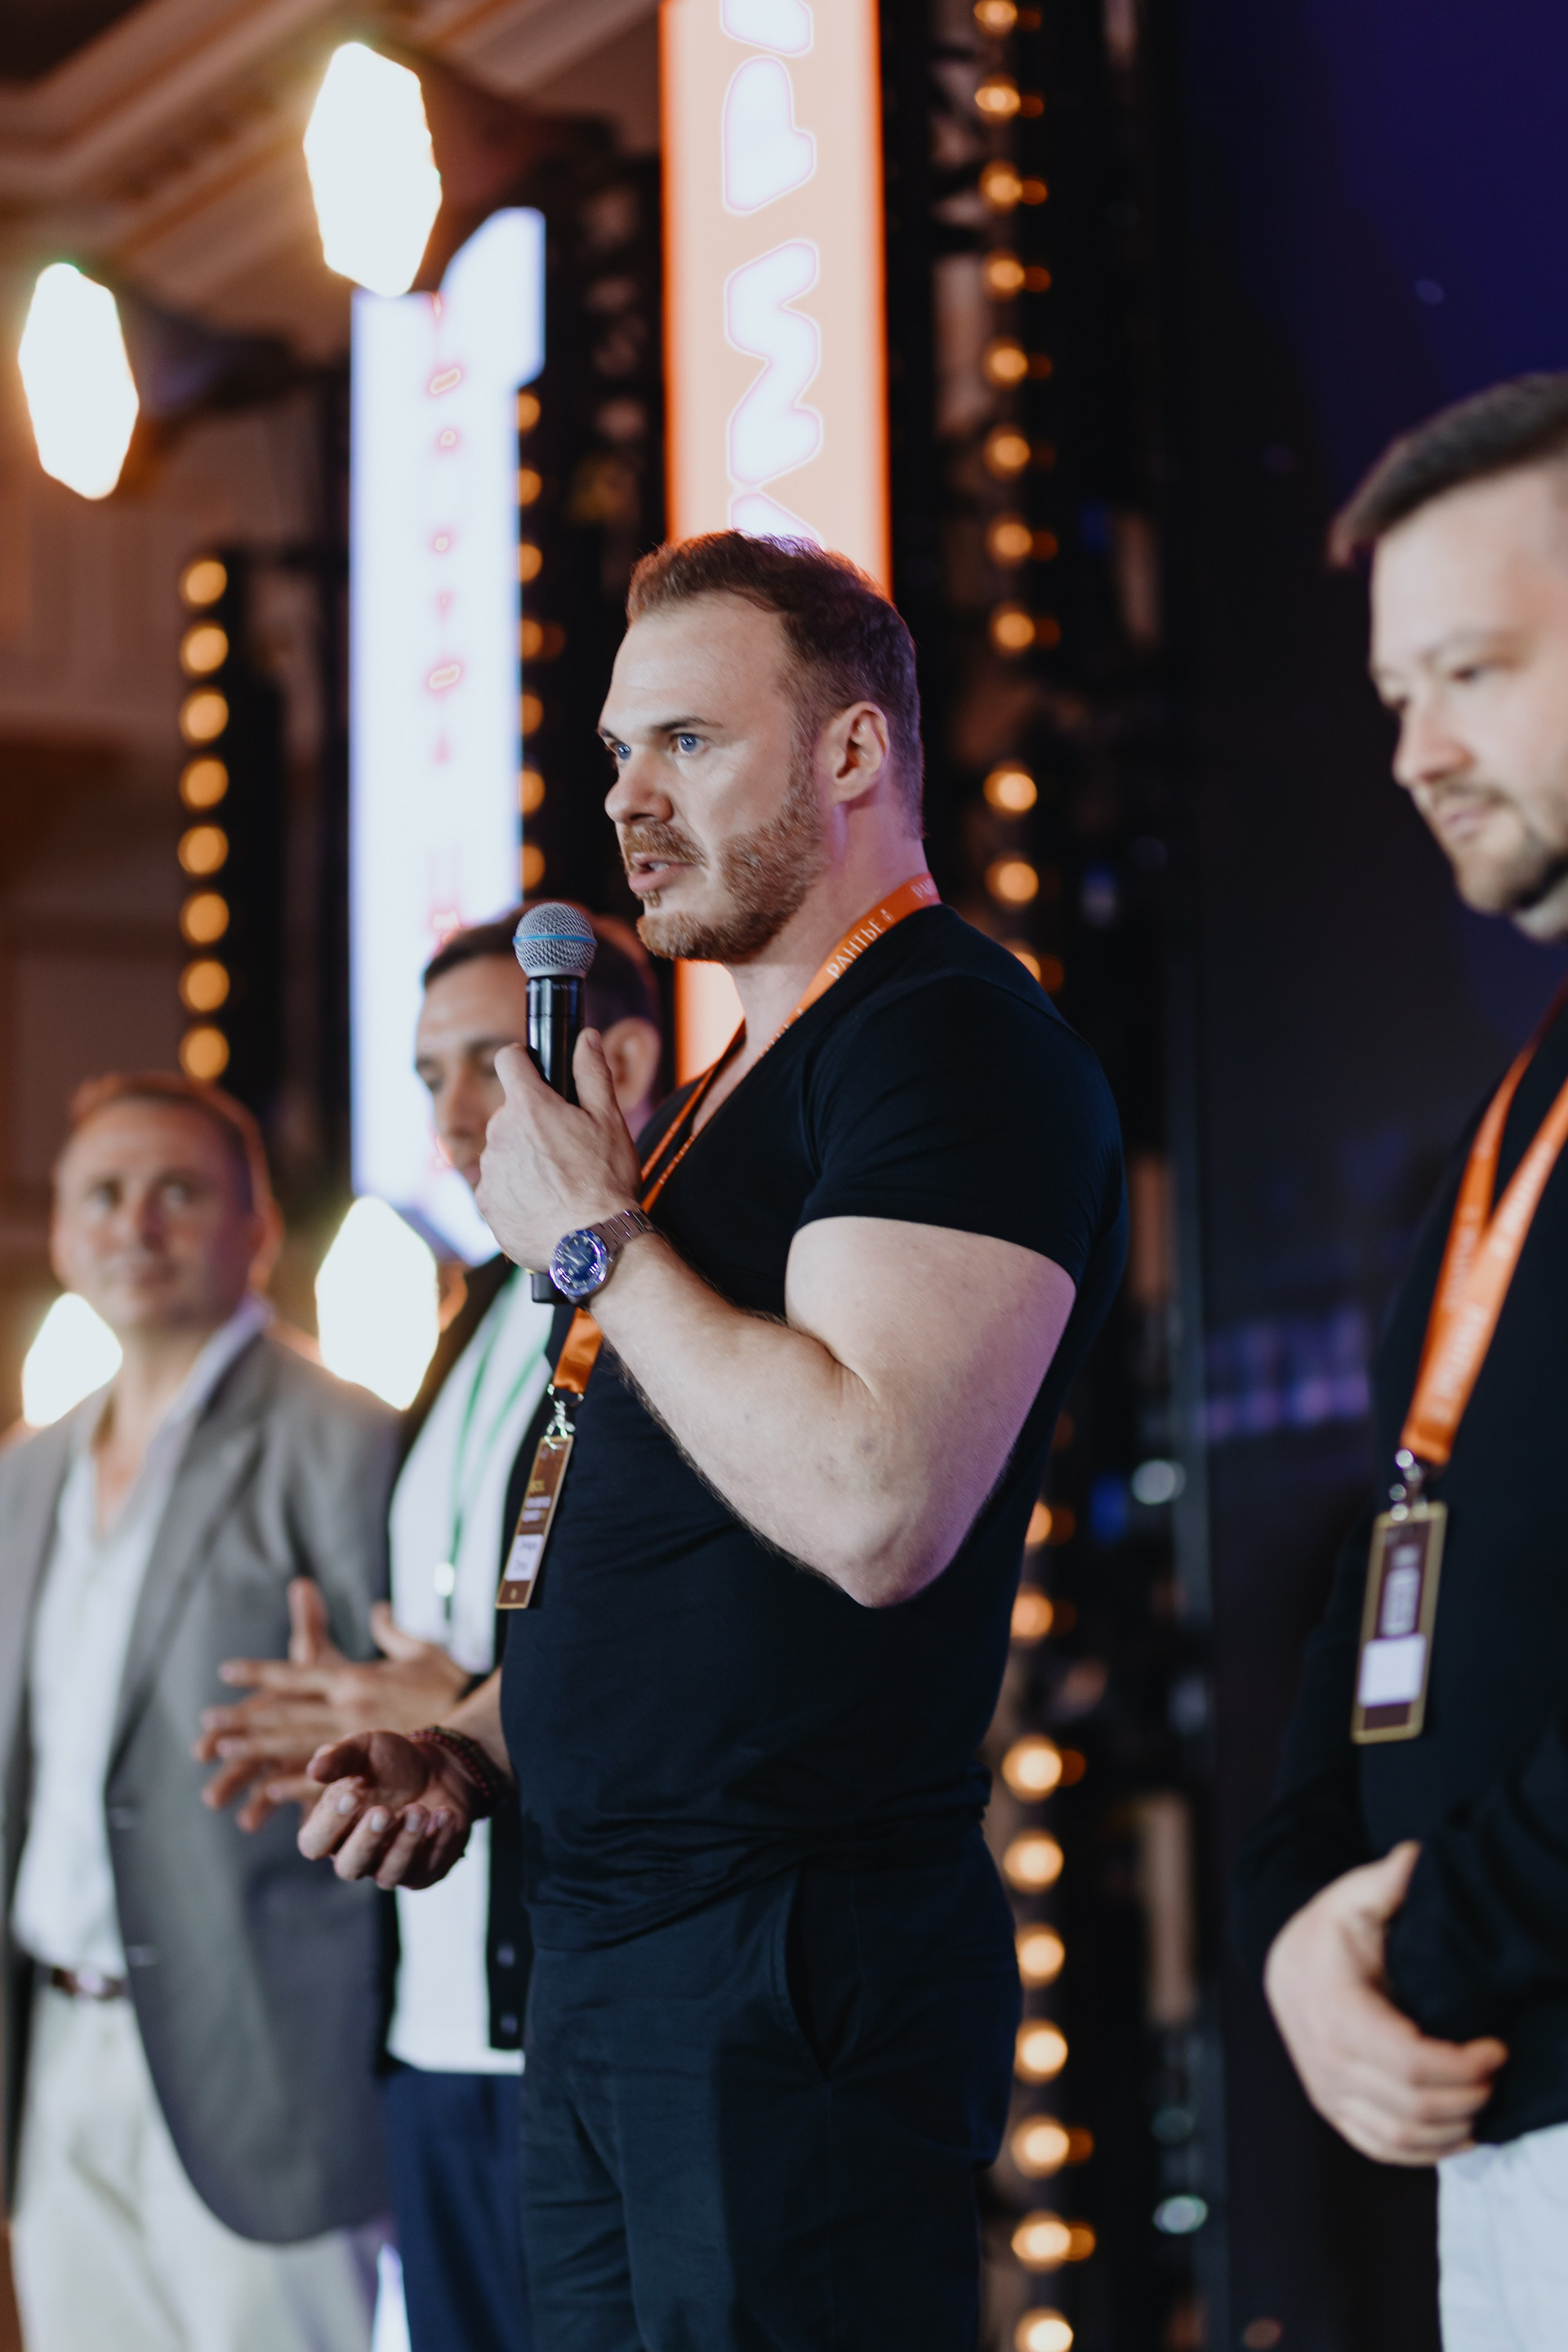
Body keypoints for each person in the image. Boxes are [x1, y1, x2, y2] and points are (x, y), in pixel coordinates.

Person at [300, 532, 1126, 2350]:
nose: (627, 801)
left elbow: (874, 1504)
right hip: (605, 1948)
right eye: (617, 753)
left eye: (686, 741)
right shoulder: (710, 1106)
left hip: (788, 1957)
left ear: (851, 752)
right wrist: (472, 1748)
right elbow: (682, 1568)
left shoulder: (947, 1044)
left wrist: (599, 1243)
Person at [198, 912, 662, 2352]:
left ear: (622, 1061)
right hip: (431, 2034)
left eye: (488, 1060)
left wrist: (457, 1704)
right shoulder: (468, 1318)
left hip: (598, 2030)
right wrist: (354, 1713)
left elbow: (705, 1652)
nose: (455, 1115)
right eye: (426, 1076)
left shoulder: (677, 1307)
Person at [1234, 373, 1568, 2350]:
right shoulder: (1507, 1122)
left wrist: (1410, 1946)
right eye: (1393, 693)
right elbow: (1392, 1567)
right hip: (1494, 2134)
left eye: (1473, 672)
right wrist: (1301, 1936)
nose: (1414, 751)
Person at [0, 1071, 395, 2352]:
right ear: (64, 1234)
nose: (137, 1224)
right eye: (104, 1195)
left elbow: (426, 1739)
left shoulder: (345, 1439)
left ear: (256, 1227)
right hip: (54, 2048)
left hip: (268, 2057)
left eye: (178, 1191)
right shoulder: (27, 1470)